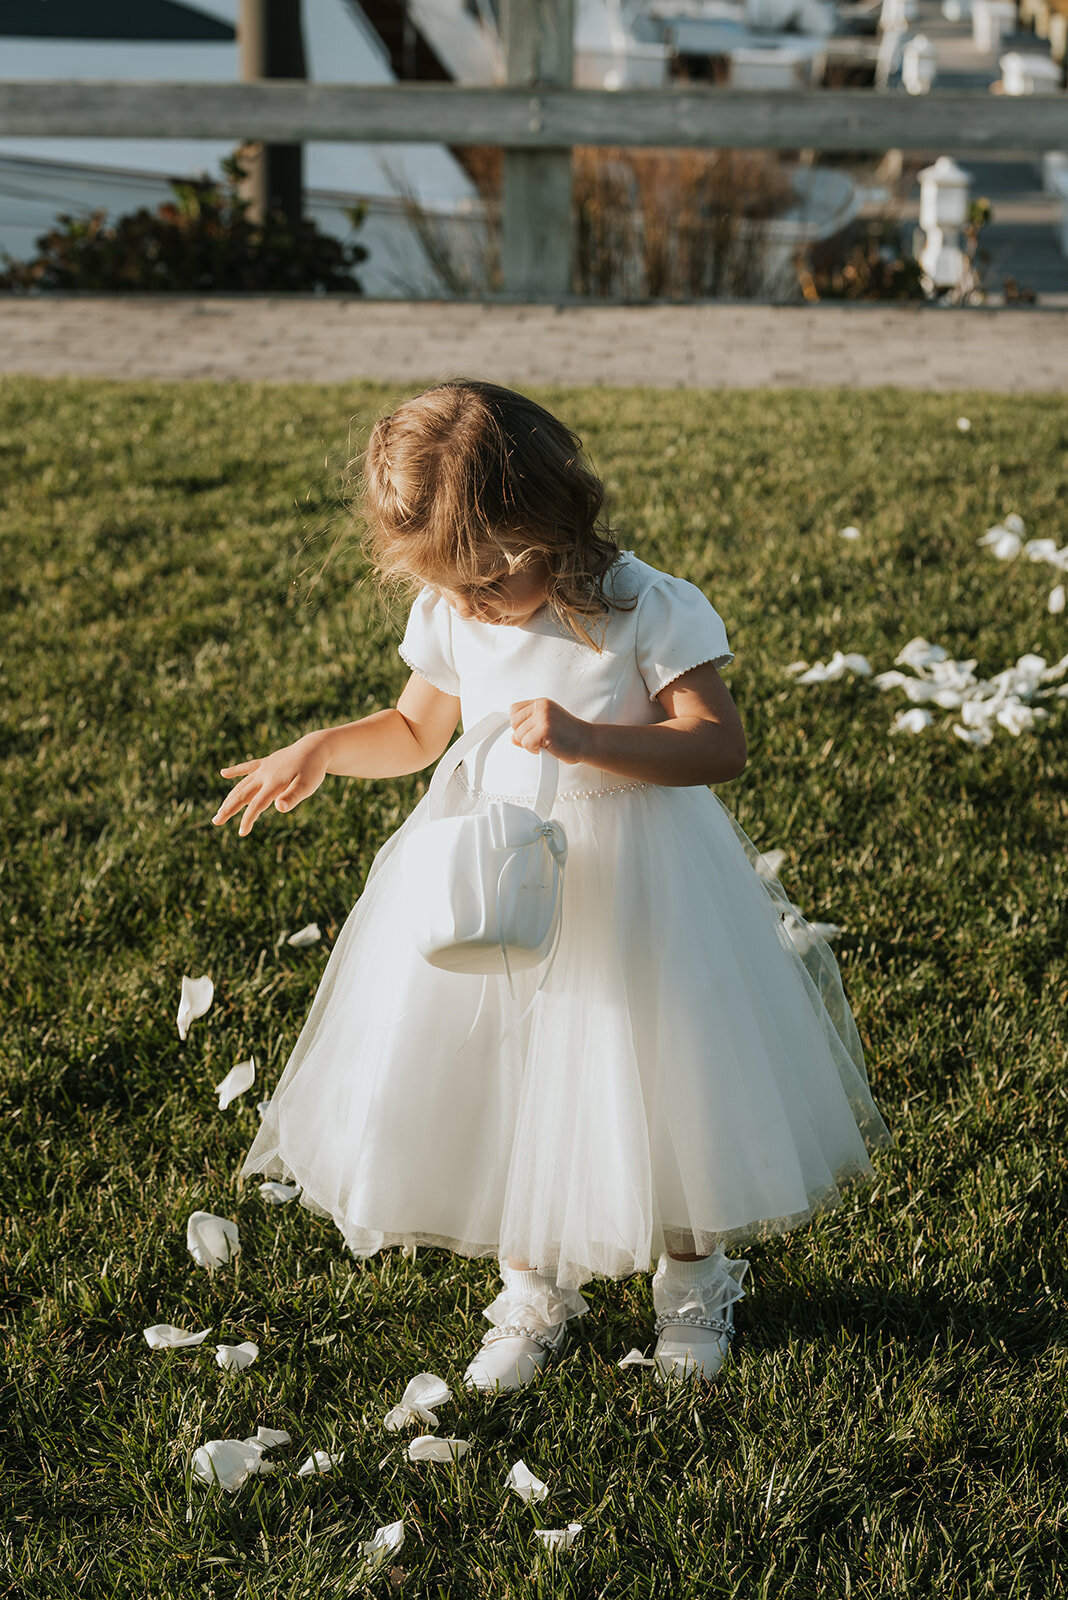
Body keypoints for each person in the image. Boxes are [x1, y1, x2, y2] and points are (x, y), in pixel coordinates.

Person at [213, 379, 890, 1392]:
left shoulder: (644, 607)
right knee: (507, 1074)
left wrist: (584, 738)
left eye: (491, 578)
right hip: (492, 874)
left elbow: (717, 743)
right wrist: (321, 748)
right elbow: (413, 732)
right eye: (453, 585)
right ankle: (529, 1290)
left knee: (665, 1076)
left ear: (551, 521)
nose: (474, 603)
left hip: (637, 880)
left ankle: (693, 1284)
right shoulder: (453, 607)